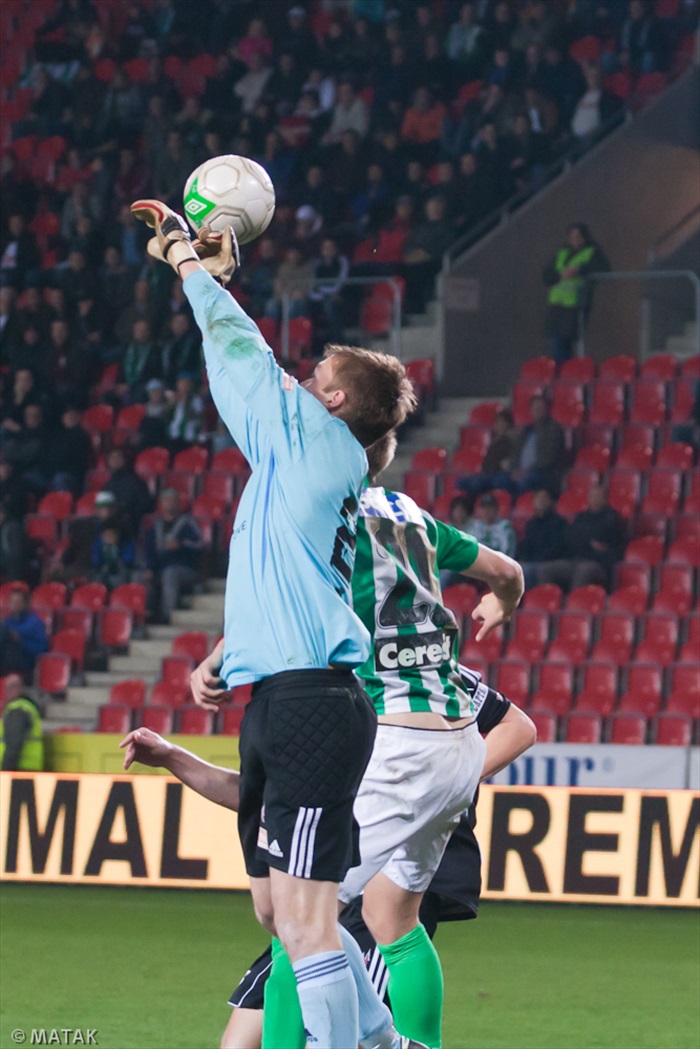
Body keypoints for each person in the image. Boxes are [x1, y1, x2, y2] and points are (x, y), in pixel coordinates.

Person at [129, 198, 415, 1048]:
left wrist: (185, 260)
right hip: (283, 693)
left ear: (333, 400)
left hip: (314, 705)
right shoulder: (308, 459)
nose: (302, 379)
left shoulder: (318, 442)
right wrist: (230, 649)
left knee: (304, 920)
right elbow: (290, 575)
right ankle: (384, 1043)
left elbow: (241, 352)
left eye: (316, 376)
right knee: (275, 906)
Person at [187, 431, 524, 1048]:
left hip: (395, 741)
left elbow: (283, 603)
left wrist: (215, 660)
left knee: (300, 917)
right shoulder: (411, 516)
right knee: (393, 918)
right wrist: (501, 605)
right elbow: (506, 572)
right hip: (450, 739)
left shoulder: (323, 517)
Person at [119, 677, 536, 1049]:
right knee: (239, 1039)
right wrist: (174, 756)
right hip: (326, 862)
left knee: (348, 926)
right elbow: (257, 798)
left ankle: (404, 1042)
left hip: (370, 879)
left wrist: (435, 786)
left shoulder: (399, 671)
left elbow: (518, 727)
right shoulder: (306, 705)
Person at [537, 483, 626, 591]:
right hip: (576, 559)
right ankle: (548, 602)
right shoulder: (581, 517)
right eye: (592, 496)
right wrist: (590, 542)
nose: (595, 499)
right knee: (546, 569)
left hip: (599, 564)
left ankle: (575, 604)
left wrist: (590, 544)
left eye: (598, 496)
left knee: (584, 571)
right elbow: (571, 538)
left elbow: (614, 548)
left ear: (605, 499)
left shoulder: (612, 518)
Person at [542, 223, 609, 363]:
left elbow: (603, 268)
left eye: (578, 237)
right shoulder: (562, 253)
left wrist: (579, 269)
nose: (575, 240)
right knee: (554, 341)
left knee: (565, 342)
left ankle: (566, 376)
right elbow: (546, 275)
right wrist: (560, 275)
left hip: (575, 305)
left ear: (584, 237)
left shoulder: (592, 252)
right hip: (556, 305)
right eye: (572, 237)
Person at [143, 489, 205, 623]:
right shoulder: (156, 525)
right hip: (160, 568)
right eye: (166, 501)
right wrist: (149, 568)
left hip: (186, 568)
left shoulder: (188, 522)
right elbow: (149, 550)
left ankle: (167, 616)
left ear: (178, 503)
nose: (169, 504)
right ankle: (144, 617)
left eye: (173, 500)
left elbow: (200, 544)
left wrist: (181, 545)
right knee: (140, 577)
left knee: (170, 573)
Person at [457, 408, 518, 501]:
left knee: (476, 483)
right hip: (487, 473)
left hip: (498, 474)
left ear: (508, 424)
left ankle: (469, 508)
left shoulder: (509, 440)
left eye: (502, 422)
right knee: (461, 482)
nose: (498, 425)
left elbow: (502, 462)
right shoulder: (495, 440)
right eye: (497, 421)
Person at [511, 394, 567, 496]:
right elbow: (516, 453)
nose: (537, 410)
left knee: (523, 483)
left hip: (544, 474)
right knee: (499, 481)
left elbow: (547, 459)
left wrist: (527, 471)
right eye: (535, 407)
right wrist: (515, 469)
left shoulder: (554, 429)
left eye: (540, 408)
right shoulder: (526, 430)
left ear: (547, 410)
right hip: (521, 472)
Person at [517, 488, 569, 589]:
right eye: (538, 498)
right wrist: (522, 559)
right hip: (533, 561)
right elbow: (526, 545)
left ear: (550, 501)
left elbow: (557, 547)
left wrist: (536, 561)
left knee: (529, 571)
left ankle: (527, 600)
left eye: (544, 498)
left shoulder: (559, 522)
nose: (541, 501)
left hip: (551, 561)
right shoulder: (531, 524)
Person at [0, 585, 49, 676]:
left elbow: (42, 649)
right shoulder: (6, 621)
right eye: (12, 601)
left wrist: (19, 639)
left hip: (24, 659)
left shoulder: (35, 623)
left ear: (25, 603)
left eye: (17, 601)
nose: (14, 604)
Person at [0, 674, 44, 770]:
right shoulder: (27, 707)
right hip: (27, 769)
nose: (9, 691)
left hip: (20, 769)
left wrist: (5, 770)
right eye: (8, 687)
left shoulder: (18, 709)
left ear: (21, 688)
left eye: (13, 687)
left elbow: (14, 743)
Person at [469, 492, 516, 557]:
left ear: (496, 509)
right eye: (484, 508)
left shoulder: (504, 526)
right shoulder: (476, 526)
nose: (487, 511)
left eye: (490, 507)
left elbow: (507, 553)